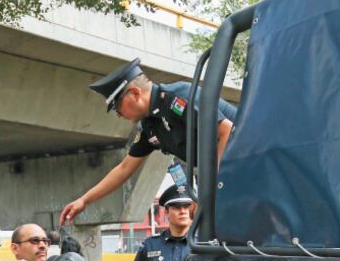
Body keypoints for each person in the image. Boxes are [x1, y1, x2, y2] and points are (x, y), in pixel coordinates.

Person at [60, 57, 237, 225]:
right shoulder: (150, 126)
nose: (120, 116)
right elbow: (124, 168)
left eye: (118, 108)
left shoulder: (176, 97)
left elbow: (226, 130)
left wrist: (210, 191)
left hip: (249, 155)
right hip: (232, 173)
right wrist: (85, 200)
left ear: (135, 93)